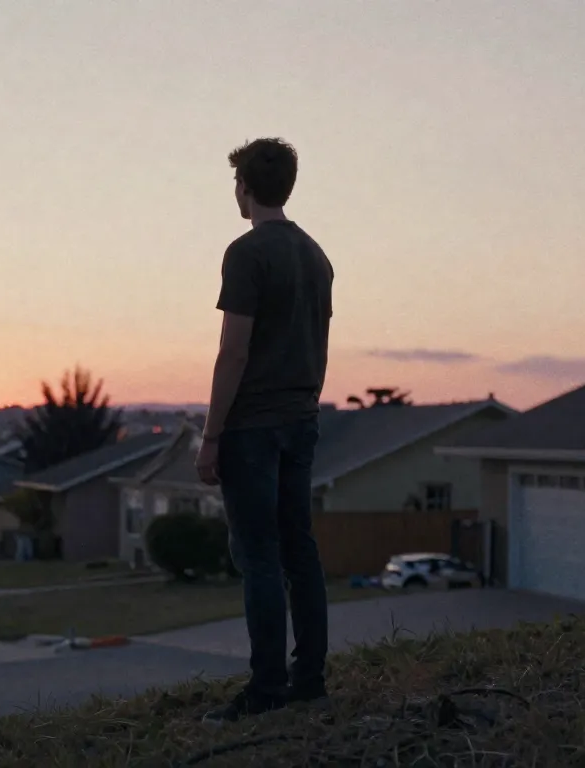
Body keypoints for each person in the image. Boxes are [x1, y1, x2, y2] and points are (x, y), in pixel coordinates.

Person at [194, 137, 334, 722]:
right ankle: (310, 679)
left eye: (236, 183)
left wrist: (211, 436)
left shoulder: (247, 253)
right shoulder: (315, 255)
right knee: (299, 550)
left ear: (245, 188)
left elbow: (234, 351)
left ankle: (267, 688)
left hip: (252, 426)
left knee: (258, 557)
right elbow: (318, 343)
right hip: (301, 419)